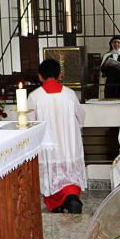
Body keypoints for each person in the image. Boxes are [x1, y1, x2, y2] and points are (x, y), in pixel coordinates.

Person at [28, 59, 87, 213]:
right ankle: (72, 198)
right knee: (70, 176)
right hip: (69, 145)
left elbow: (29, 124)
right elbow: (81, 117)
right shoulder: (69, 94)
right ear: (60, 74)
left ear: (40, 77)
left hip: (48, 148)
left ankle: (59, 203)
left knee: (52, 175)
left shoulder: (35, 97)